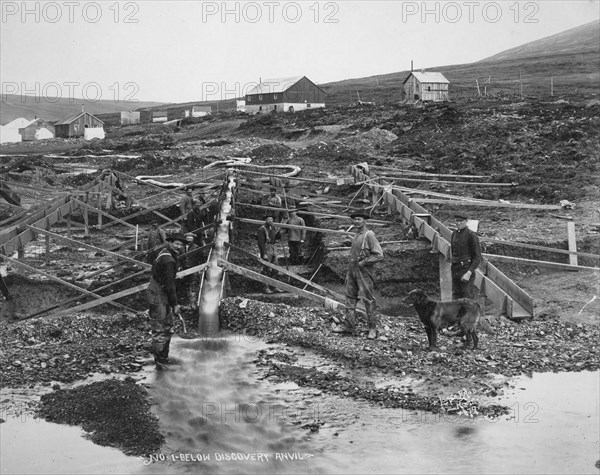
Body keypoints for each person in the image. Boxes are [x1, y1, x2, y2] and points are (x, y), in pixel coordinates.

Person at [333, 211, 384, 339]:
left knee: (368, 299)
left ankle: (372, 329)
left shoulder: (369, 235)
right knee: (350, 297)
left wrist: (364, 262)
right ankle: (349, 326)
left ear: (365, 221)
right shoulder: (356, 235)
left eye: (359, 219)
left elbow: (379, 255)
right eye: (355, 219)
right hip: (352, 270)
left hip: (364, 271)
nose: (356, 221)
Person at [145, 232, 186, 369]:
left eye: (181, 244)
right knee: (160, 327)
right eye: (176, 243)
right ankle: (160, 361)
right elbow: (170, 284)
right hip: (158, 294)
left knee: (166, 325)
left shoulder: (164, 252)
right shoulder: (168, 260)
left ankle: (163, 357)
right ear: (170, 243)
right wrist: (175, 304)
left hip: (158, 289)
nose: (178, 246)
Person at [450, 212, 482, 300]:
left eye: (461, 221)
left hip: (466, 269)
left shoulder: (471, 235)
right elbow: (453, 252)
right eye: (457, 221)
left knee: (467, 298)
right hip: (455, 269)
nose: (459, 223)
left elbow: (477, 257)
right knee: (456, 297)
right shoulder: (454, 234)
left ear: (466, 221)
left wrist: (469, 273)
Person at [257, 215, 283, 294]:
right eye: (268, 219)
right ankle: (265, 287)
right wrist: (263, 254)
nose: (270, 221)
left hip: (273, 248)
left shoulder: (273, 228)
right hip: (266, 249)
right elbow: (260, 243)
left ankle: (274, 286)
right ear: (265, 220)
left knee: (275, 268)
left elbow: (276, 238)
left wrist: (279, 234)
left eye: (271, 219)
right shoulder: (262, 229)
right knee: (266, 269)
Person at [180, 232, 202, 310]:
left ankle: (193, 304)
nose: (189, 241)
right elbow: (179, 258)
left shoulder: (196, 247)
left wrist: (199, 269)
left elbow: (200, 259)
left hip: (193, 268)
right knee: (184, 285)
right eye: (187, 239)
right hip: (184, 269)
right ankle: (185, 302)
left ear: (193, 240)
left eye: (190, 239)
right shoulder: (181, 247)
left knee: (193, 285)